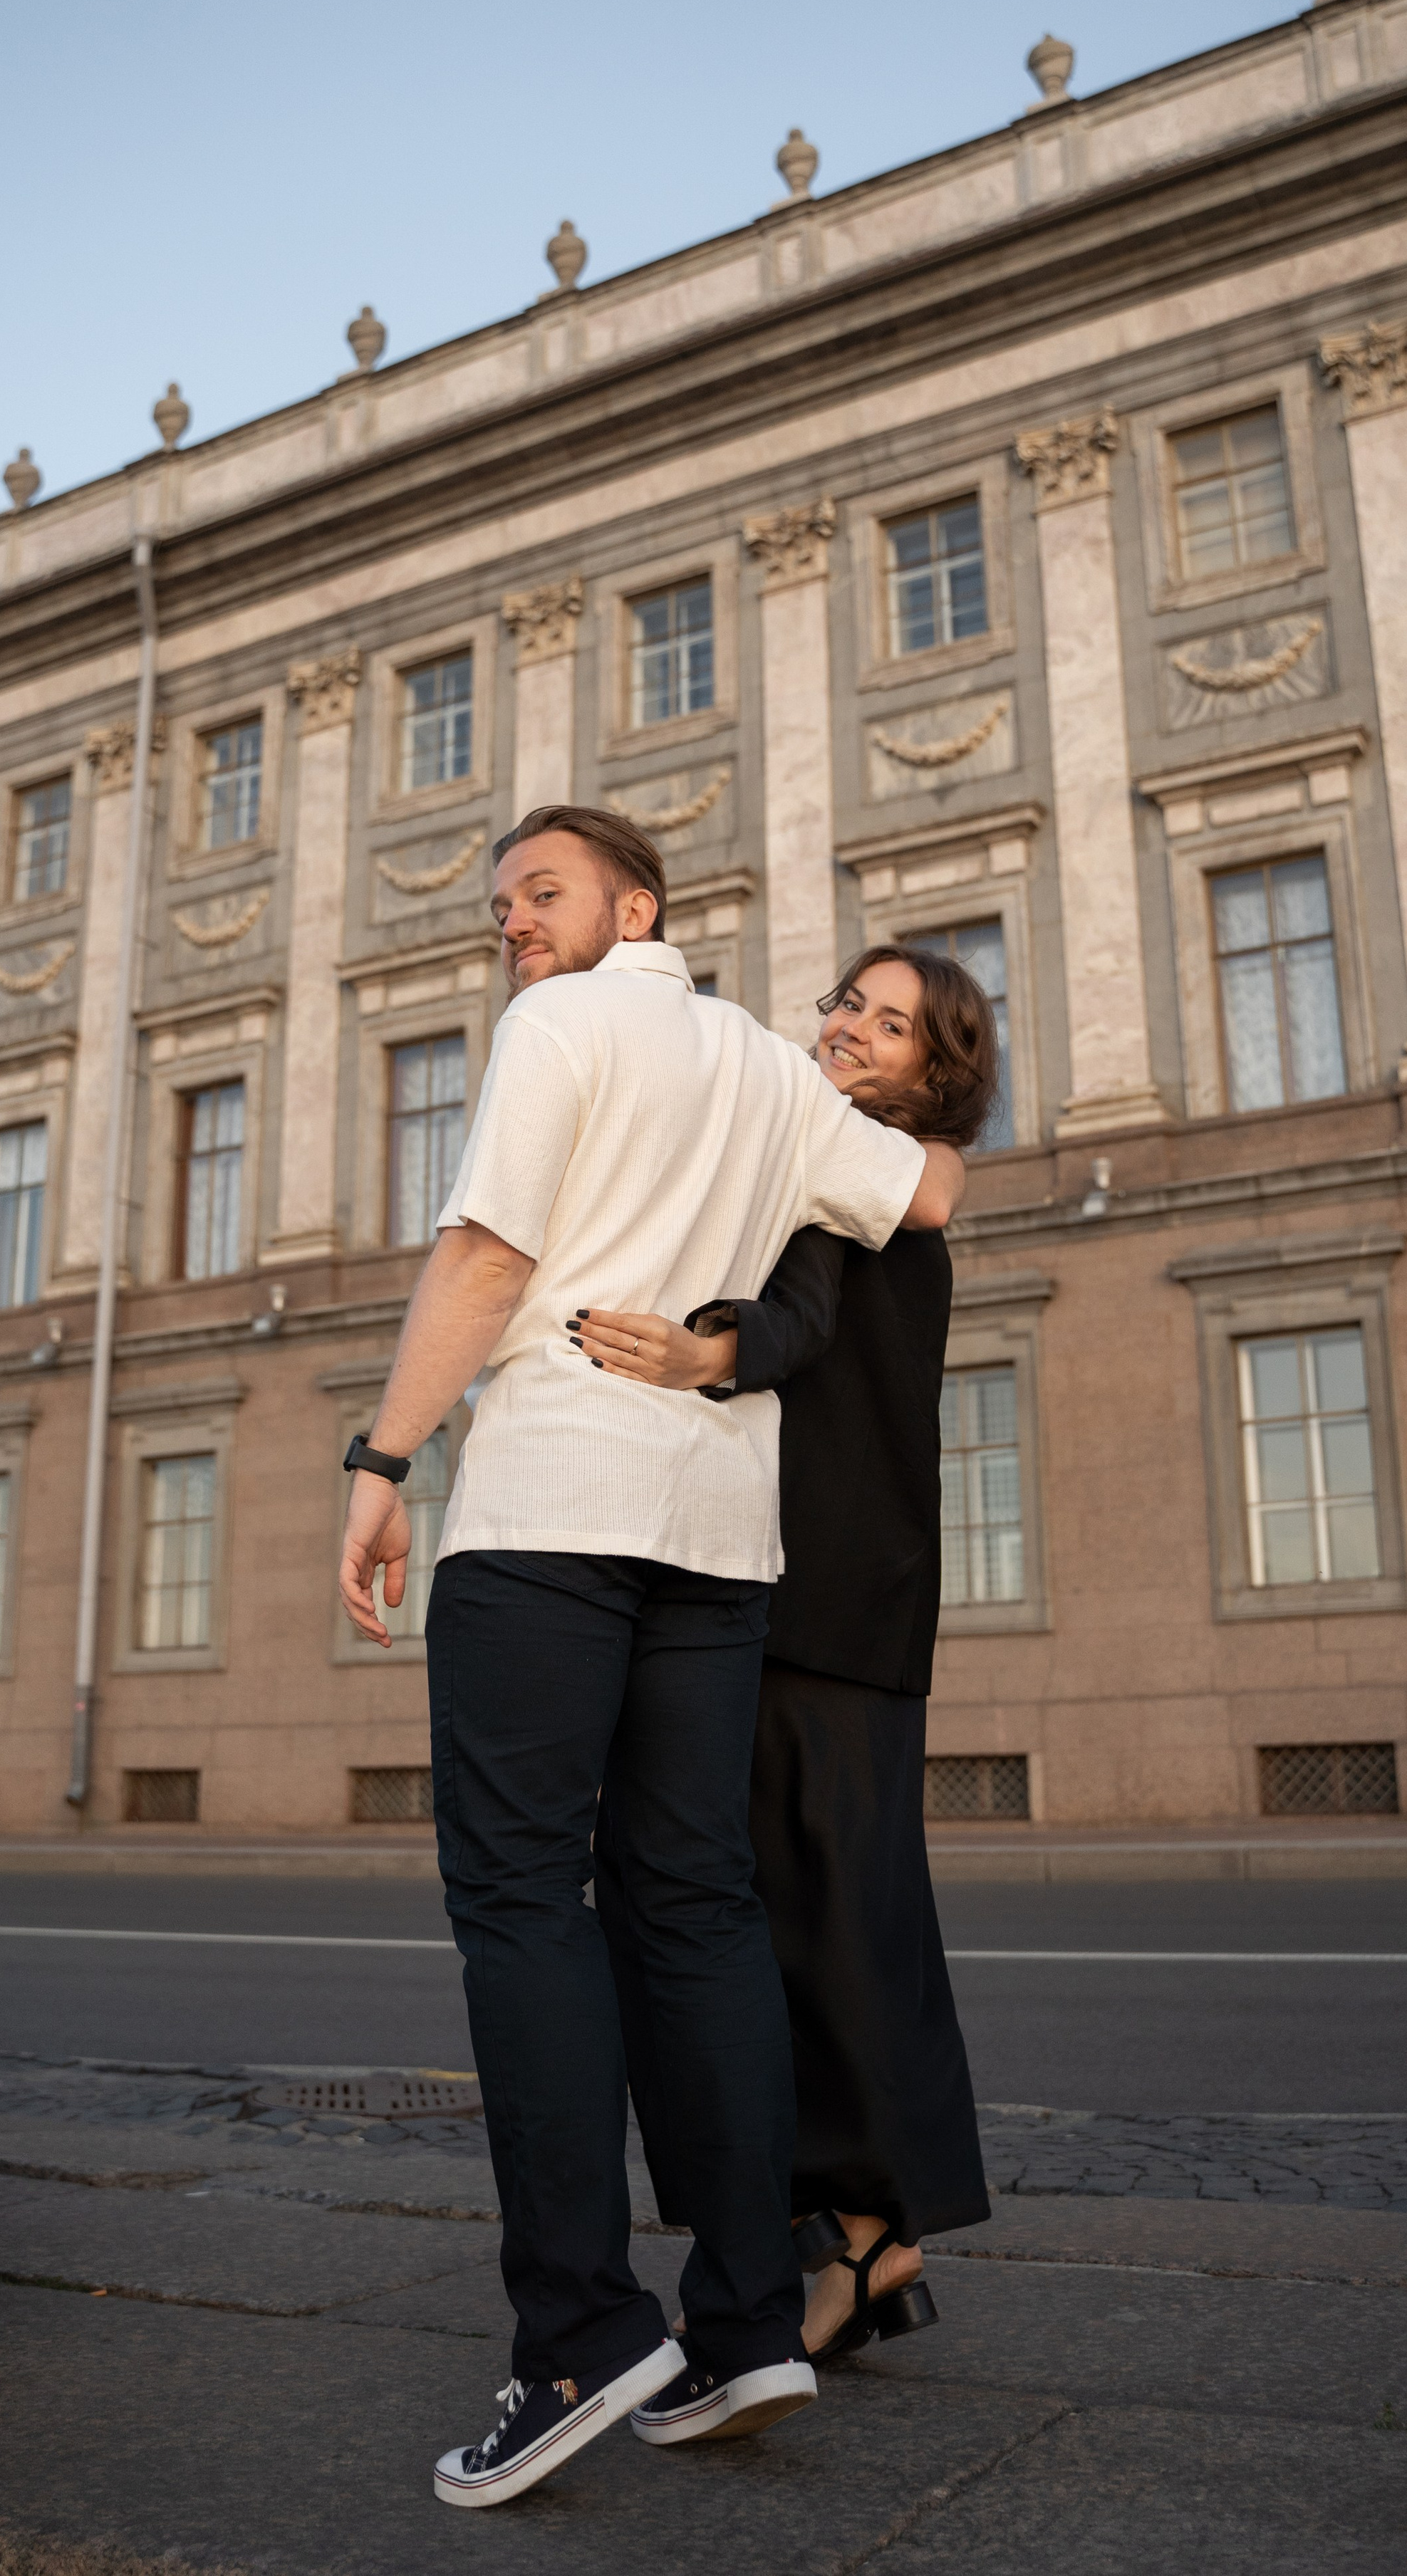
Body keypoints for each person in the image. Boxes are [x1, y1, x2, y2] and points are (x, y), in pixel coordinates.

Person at [336, 811, 965, 2509]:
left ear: (635, 907)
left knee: (526, 1904)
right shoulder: (771, 1068)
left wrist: (385, 1461)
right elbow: (926, 1185)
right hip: (714, 1538)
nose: (510, 928)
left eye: (537, 895)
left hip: (549, 1505)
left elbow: (485, 1257)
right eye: (496, 908)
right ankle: (748, 2321)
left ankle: (576, 2339)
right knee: (692, 1906)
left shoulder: (565, 1022)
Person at [575, 943, 997, 2368]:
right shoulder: (841, 1156)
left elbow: (798, 1317)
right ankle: (843, 2238)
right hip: (820, 1598)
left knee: (804, 1933)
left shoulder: (858, 1168)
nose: (852, 1033)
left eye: (893, 1027)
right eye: (847, 1007)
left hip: (820, 1610)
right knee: (809, 1928)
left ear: (935, 1075)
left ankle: (861, 2237)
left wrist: (700, 1350)